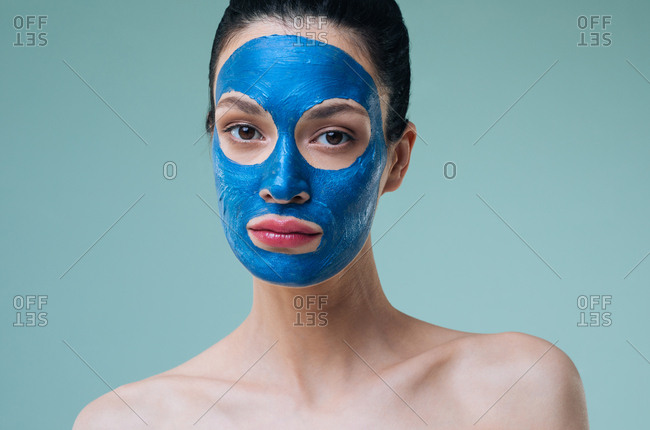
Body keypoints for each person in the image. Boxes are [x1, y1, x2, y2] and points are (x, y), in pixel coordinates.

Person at [74, 0, 589, 428]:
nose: (282, 185)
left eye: (332, 136)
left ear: (397, 160)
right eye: (245, 130)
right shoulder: (129, 421)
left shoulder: (516, 394)